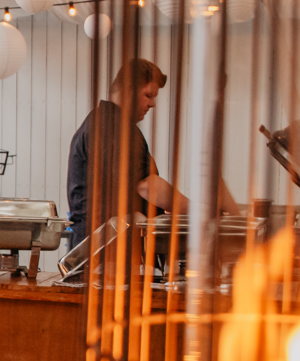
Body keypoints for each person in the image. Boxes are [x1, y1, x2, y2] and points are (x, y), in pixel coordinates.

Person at [65, 57, 239, 243]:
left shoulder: (109, 124)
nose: (152, 104)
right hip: (103, 247)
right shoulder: (112, 126)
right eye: (148, 95)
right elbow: (147, 185)